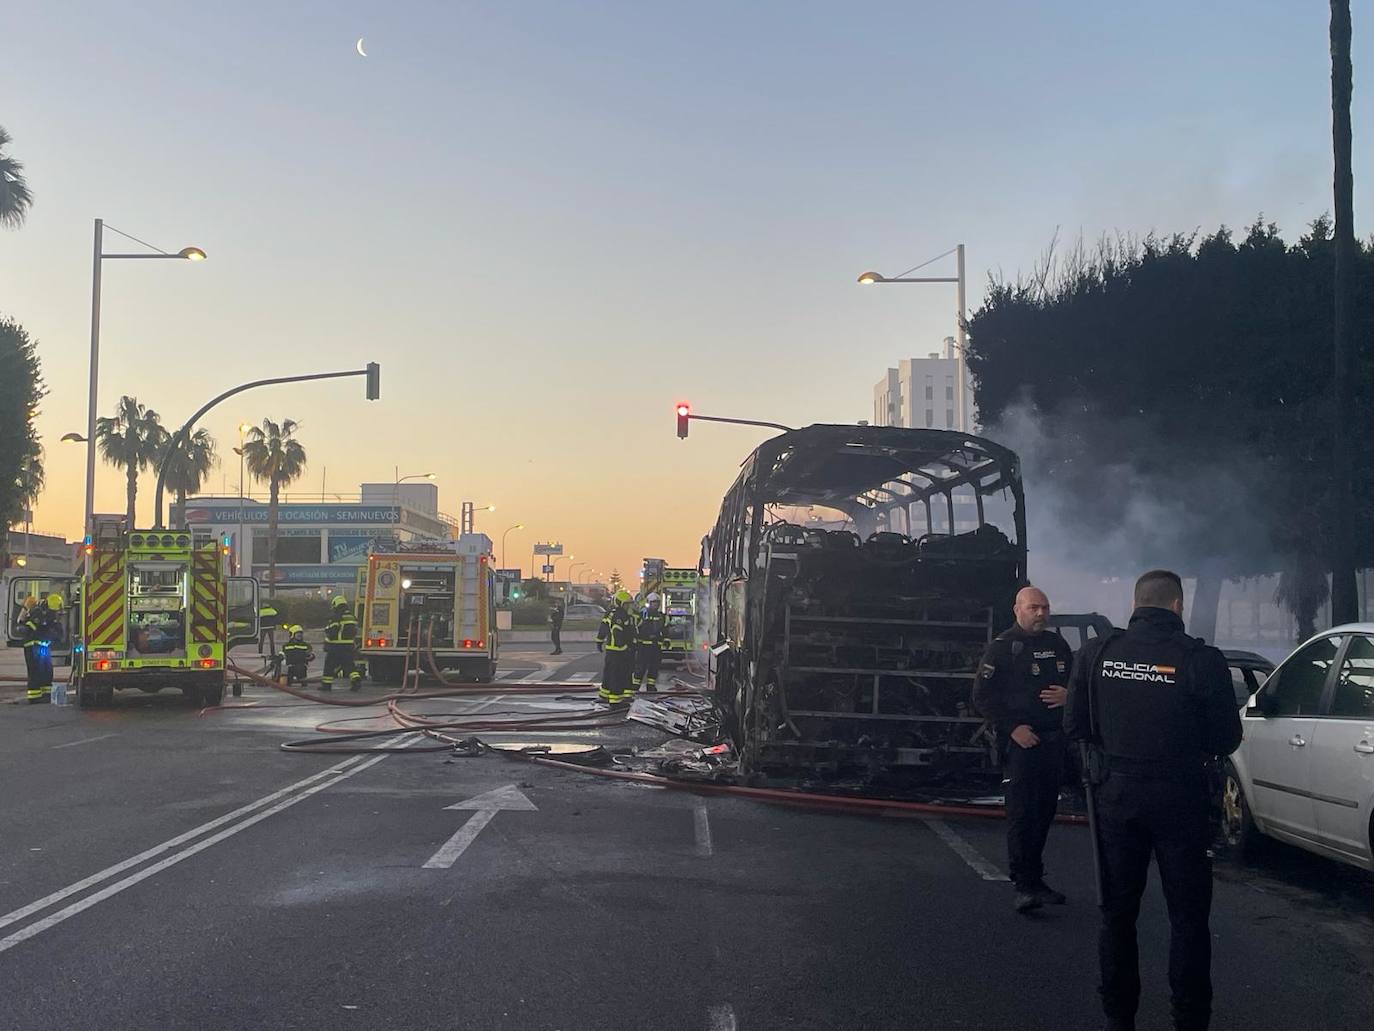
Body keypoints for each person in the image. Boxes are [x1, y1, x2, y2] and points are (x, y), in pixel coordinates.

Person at [1065, 570, 1242, 1031]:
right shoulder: (1201, 659)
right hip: (1180, 800)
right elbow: (1227, 737)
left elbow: (1075, 727)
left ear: (1135, 603)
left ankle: (1119, 1018)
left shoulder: (1097, 653)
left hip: (1116, 797)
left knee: (1118, 915)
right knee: (1188, 920)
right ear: (1178, 606)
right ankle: (1189, 1020)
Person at [972, 584, 1075, 913]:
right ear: (1017, 610)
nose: (1041, 613)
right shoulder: (1003, 649)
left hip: (1054, 741)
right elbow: (982, 697)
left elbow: (1078, 685)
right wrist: (1012, 728)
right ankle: (1023, 885)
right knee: (1022, 814)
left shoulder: (1059, 646)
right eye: (1034, 608)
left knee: (1044, 812)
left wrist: (1069, 698)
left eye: (1045, 607)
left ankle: (1036, 878)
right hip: (1021, 743)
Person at [21, 593, 65, 704]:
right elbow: (31, 627)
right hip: (33, 646)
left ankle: (46, 694)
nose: (56, 614)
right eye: (54, 611)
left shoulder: (51, 617)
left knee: (47, 671)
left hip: (43, 646)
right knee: (36, 671)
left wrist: (54, 634)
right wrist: (46, 632)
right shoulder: (38, 613)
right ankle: (34, 697)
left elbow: (56, 632)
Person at [595, 590, 635, 703]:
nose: (628, 606)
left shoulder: (613, 613)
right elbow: (619, 633)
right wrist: (625, 647)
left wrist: (599, 641)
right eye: (626, 604)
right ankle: (615, 701)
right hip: (618, 651)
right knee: (617, 675)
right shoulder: (620, 616)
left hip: (613, 650)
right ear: (620, 603)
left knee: (609, 673)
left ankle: (604, 695)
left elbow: (603, 629)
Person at [632, 592, 670, 693]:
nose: (656, 604)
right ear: (649, 602)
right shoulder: (642, 615)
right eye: (653, 602)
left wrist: (666, 640)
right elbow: (635, 629)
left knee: (654, 667)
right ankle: (635, 686)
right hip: (643, 646)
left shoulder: (662, 616)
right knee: (640, 667)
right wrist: (635, 642)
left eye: (657, 602)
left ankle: (651, 686)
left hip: (656, 646)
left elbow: (665, 630)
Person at [322, 596, 361, 691]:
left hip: (336, 646)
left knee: (329, 666)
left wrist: (327, 630)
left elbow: (332, 632)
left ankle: (326, 686)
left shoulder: (337, 617)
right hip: (349, 646)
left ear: (336, 605)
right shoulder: (352, 617)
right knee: (349, 665)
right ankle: (356, 679)